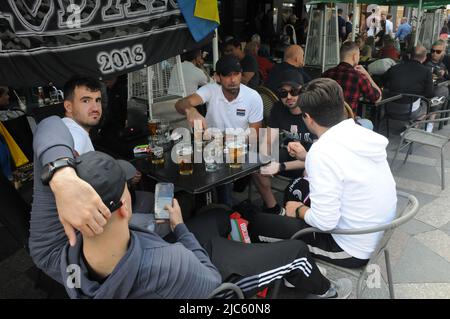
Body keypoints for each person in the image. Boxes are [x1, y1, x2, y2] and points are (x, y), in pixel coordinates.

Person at [29, 117, 352, 298]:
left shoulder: (55, 254)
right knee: (295, 253)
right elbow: (211, 282)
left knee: (217, 215)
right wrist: (181, 228)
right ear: (124, 205)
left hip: (153, 253)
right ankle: (328, 291)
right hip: (209, 284)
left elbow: (49, 125)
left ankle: (239, 237)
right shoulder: (169, 264)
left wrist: (60, 178)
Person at [247, 78, 397, 269]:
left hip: (350, 248)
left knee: (258, 225)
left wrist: (298, 209)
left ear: (308, 117)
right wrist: (307, 156)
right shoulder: (362, 134)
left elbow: (324, 222)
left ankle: (303, 279)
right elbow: (341, 165)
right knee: (292, 206)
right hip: (376, 233)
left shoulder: (323, 151)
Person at [175, 55, 263, 206]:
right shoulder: (211, 90)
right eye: (227, 75)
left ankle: (224, 212)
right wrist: (190, 110)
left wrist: (226, 139)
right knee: (187, 163)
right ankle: (204, 209)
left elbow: (254, 134)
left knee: (219, 173)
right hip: (211, 145)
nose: (233, 79)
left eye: (236, 74)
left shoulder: (252, 97)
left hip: (239, 147)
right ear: (217, 77)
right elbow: (180, 104)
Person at [253, 70, 316, 215]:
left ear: (302, 90)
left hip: (311, 160)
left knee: (310, 170)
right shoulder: (278, 108)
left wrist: (280, 167)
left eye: (293, 91)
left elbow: (316, 159)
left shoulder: (313, 111)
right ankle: (273, 208)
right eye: (283, 93)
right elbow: (268, 140)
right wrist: (265, 160)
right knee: (255, 164)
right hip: (288, 153)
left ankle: (301, 213)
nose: (288, 97)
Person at [323, 41, 381, 127]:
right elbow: (377, 98)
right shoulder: (359, 76)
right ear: (354, 56)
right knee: (369, 123)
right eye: (358, 55)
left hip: (326, 124)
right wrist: (367, 75)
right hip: (347, 125)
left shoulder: (326, 74)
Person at [383, 45, 434, 126]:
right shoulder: (427, 72)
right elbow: (430, 94)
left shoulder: (394, 68)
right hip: (410, 112)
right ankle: (413, 128)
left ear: (410, 55)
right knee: (426, 104)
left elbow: (383, 83)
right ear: (425, 58)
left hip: (388, 108)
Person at [60, 76, 102, 156]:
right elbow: (63, 157)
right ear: (68, 106)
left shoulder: (63, 126)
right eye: (86, 101)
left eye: (97, 100)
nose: (95, 108)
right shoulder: (76, 134)